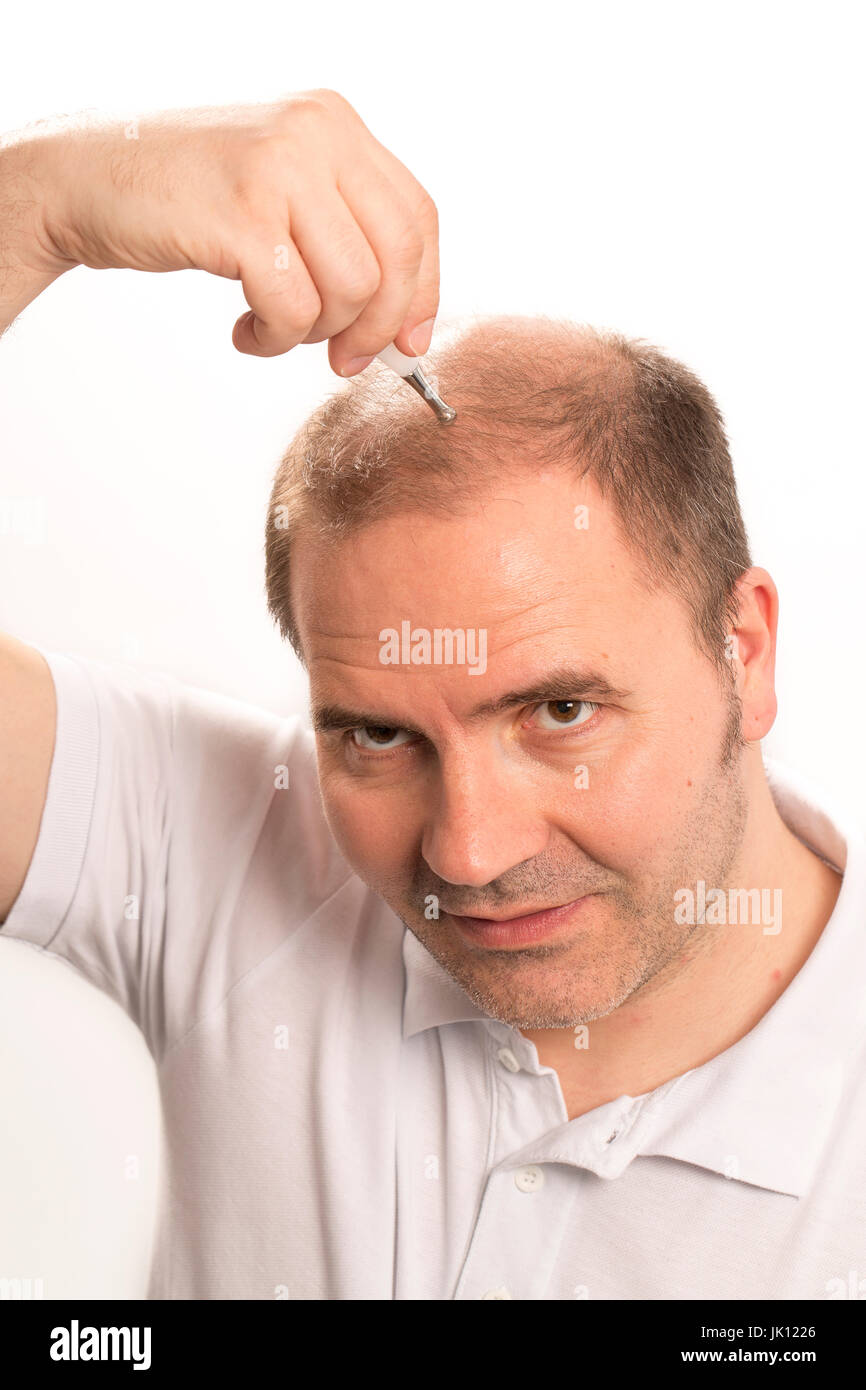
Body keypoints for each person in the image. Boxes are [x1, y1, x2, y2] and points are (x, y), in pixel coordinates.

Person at [0, 92, 862, 1303]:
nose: (466, 850)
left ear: (746, 649)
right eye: (377, 734)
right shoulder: (221, 848)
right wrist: (36, 210)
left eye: (557, 712)